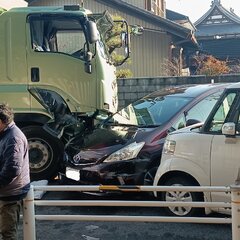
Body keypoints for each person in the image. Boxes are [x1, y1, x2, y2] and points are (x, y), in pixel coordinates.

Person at [0, 104, 30, 240]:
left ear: (1, 121)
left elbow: (12, 169)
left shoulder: (13, 138)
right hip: (7, 192)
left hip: (10, 194)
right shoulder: (6, 134)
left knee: (8, 234)